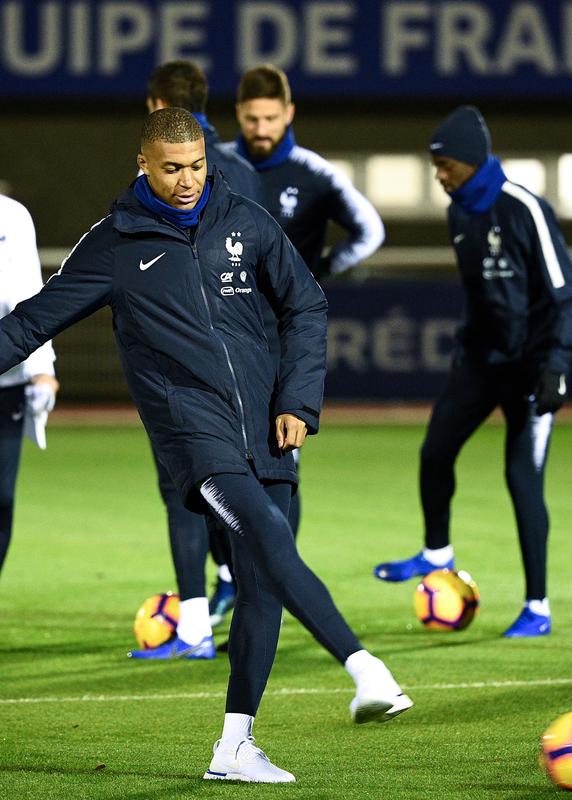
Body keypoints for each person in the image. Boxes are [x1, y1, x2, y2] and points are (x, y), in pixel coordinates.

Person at [0, 108, 413, 782]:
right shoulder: (112, 245)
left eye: (196, 166)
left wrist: (298, 400)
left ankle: (234, 748)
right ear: (144, 166)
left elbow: (306, 305)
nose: (188, 180)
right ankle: (365, 668)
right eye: (171, 169)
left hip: (269, 423)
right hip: (192, 428)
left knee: (260, 582)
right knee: (270, 533)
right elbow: (28, 325)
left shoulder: (245, 221)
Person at [374, 106, 572, 638]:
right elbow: (485, 295)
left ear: (470, 160)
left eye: (445, 166)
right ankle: (436, 552)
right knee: (435, 453)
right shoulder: (459, 212)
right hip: (480, 363)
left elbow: (569, 293)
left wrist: (556, 365)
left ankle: (537, 606)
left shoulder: (524, 208)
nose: (439, 176)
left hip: (533, 370)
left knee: (522, 481)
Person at [129, 61, 265, 659]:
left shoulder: (162, 172)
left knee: (182, 489)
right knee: (238, 492)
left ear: (156, 102)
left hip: (182, 365)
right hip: (245, 361)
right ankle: (240, 610)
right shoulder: (239, 172)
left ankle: (193, 632)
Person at [232, 63, 385, 539]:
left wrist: (317, 272)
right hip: (226, 331)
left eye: (270, 118)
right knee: (220, 460)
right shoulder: (213, 166)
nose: (261, 129)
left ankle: (277, 580)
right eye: (252, 119)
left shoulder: (314, 173)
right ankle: (229, 578)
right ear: (239, 114)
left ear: (289, 113)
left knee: (279, 461)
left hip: (282, 338)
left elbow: (371, 230)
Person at [0, 193, 58, 576]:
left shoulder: (12, 216)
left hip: (8, 378)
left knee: (1, 499)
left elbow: (29, 293)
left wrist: (42, 367)